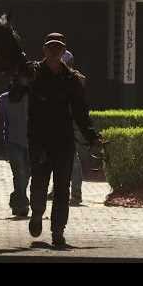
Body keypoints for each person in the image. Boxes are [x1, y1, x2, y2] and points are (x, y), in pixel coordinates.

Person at [25, 33, 101, 247]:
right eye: (51, 48)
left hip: (63, 142)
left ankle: (58, 231)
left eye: (58, 49)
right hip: (39, 141)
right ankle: (37, 214)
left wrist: (92, 136)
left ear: (63, 52)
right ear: (44, 50)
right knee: (39, 184)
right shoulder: (33, 74)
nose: (54, 52)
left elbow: (80, 112)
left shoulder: (71, 79)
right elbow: (16, 94)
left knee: (61, 189)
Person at [47, 48, 85, 205]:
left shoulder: (76, 79)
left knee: (72, 159)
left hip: (69, 122)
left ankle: (76, 194)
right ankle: (57, 189)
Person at [0, 77, 30, 217]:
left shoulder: (31, 97)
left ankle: (18, 200)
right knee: (19, 174)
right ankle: (21, 204)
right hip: (13, 142)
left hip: (30, 142)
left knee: (26, 174)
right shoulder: (3, 100)